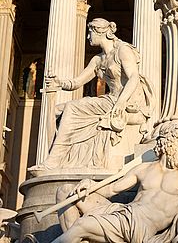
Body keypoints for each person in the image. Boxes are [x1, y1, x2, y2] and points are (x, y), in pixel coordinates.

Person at [50, 123, 178, 243]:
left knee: (81, 226)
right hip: (124, 213)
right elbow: (111, 189)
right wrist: (90, 182)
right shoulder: (143, 169)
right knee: (66, 192)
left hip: (139, 225)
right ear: (165, 144)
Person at [36, 18, 155, 171]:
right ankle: (63, 159)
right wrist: (58, 82)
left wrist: (121, 103)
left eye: (90, 32)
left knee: (72, 107)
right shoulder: (98, 59)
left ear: (100, 32)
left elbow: (134, 77)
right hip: (110, 99)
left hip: (128, 102)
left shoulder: (123, 50)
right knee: (57, 111)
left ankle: (53, 161)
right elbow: (77, 83)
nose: (88, 37)